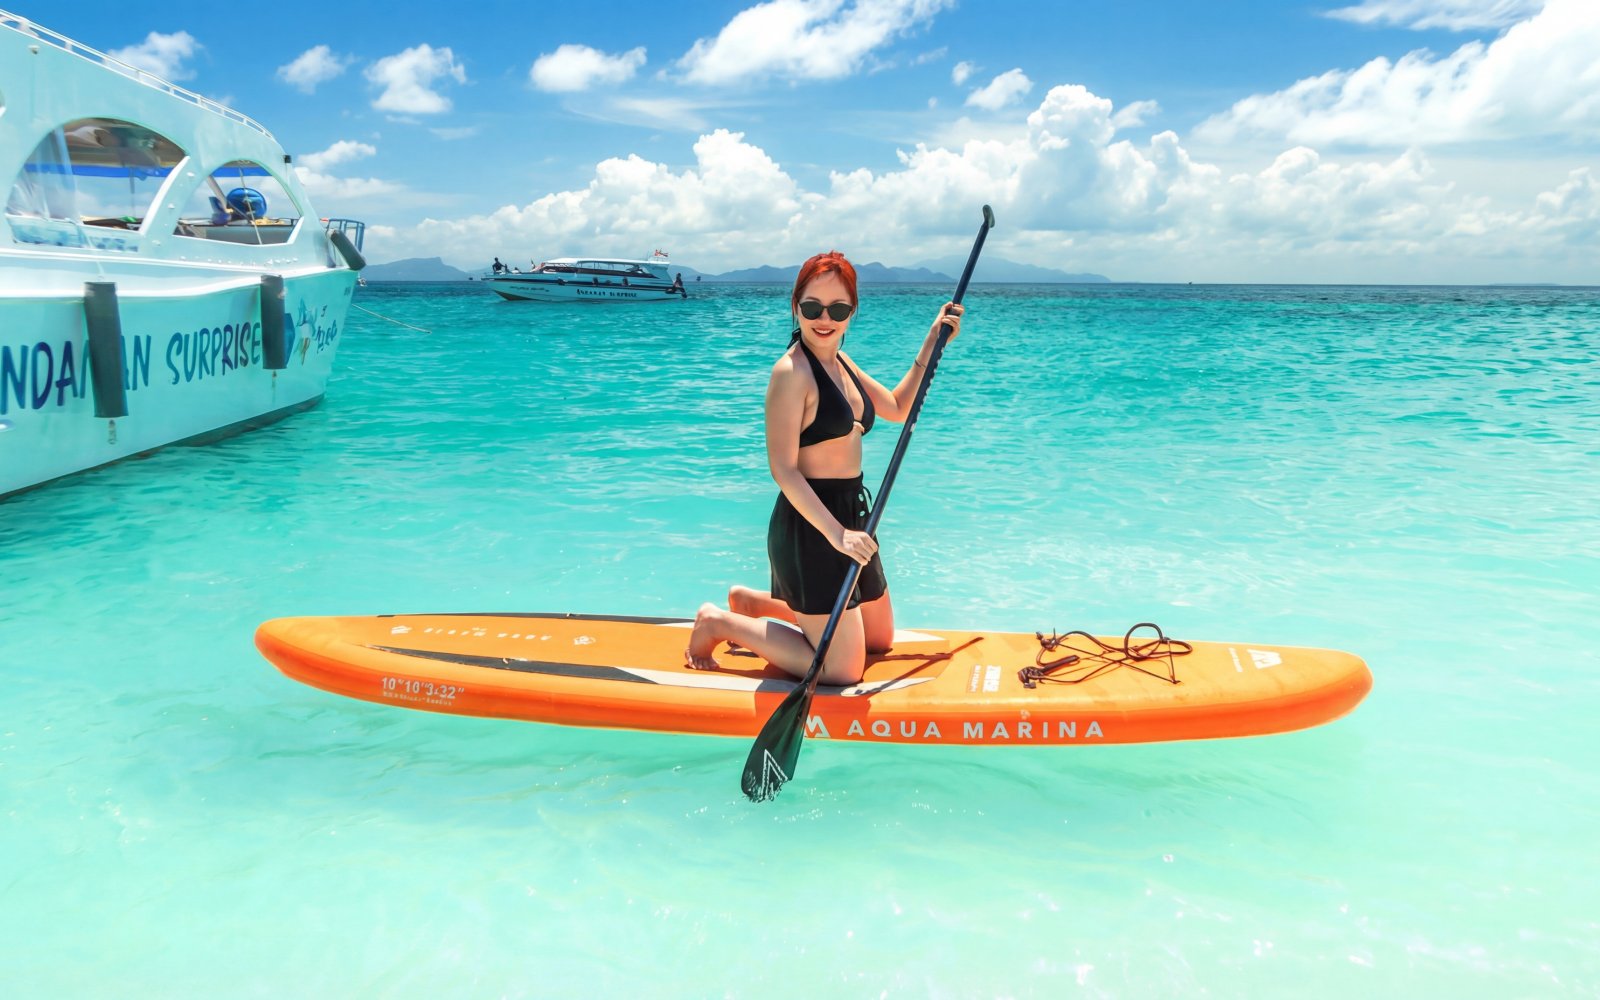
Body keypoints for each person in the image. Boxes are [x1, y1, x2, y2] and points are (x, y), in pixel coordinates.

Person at [685, 251, 963, 685]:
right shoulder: (791, 372)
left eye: (838, 309)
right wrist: (837, 535)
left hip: (853, 515)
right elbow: (783, 470)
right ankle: (718, 622)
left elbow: (897, 407)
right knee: (842, 670)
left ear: (852, 311)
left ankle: (755, 604)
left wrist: (933, 341)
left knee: (879, 641)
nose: (824, 319)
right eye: (813, 307)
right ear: (796, 306)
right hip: (812, 527)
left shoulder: (842, 363)